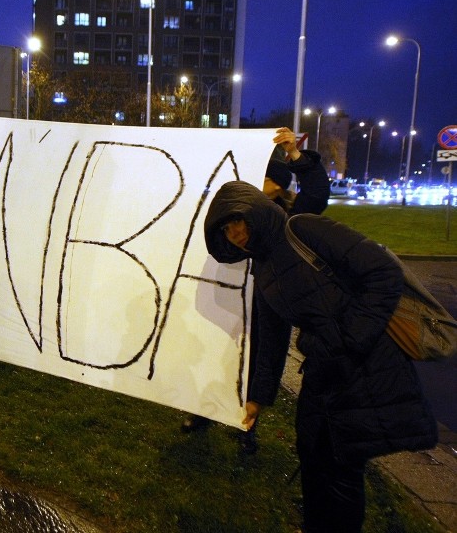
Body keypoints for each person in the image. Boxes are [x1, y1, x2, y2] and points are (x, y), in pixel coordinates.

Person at [204, 180, 437, 533]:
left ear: (254, 210)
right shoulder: (262, 266)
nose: (234, 232)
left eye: (237, 220)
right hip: (325, 369)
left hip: (367, 366)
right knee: (312, 453)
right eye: (225, 228)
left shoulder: (303, 228)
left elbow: (383, 272)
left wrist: (350, 339)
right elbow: (271, 338)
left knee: (342, 464)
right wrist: (258, 398)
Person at [182, 128, 330, 455]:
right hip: (229, 300)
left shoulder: (290, 221)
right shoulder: (231, 219)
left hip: (265, 305)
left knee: (258, 355)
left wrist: (295, 155)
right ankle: (205, 410)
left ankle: (247, 421)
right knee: (217, 355)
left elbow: (317, 192)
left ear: (275, 185)